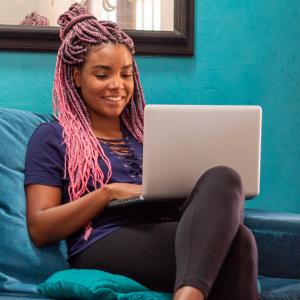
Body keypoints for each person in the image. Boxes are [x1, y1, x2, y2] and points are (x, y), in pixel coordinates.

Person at [24, 3, 259, 300]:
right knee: (240, 244)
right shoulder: (52, 136)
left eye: (125, 74)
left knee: (225, 179)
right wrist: (107, 193)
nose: (117, 86)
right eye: (102, 74)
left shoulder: (149, 135)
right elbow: (40, 226)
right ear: (76, 77)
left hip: (167, 229)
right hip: (103, 240)